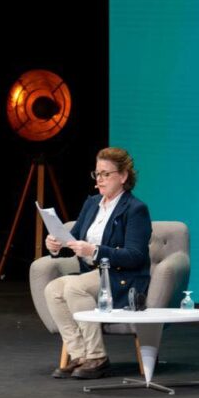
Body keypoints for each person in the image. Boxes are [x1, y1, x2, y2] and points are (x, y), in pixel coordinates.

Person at [44, 147, 152, 380]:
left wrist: (95, 251)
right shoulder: (92, 203)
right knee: (53, 289)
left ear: (123, 176)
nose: (99, 180)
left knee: (75, 288)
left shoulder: (135, 209)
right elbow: (73, 240)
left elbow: (135, 256)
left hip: (122, 278)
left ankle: (97, 357)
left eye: (106, 174)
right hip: (94, 274)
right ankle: (80, 354)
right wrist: (56, 245)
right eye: (97, 174)